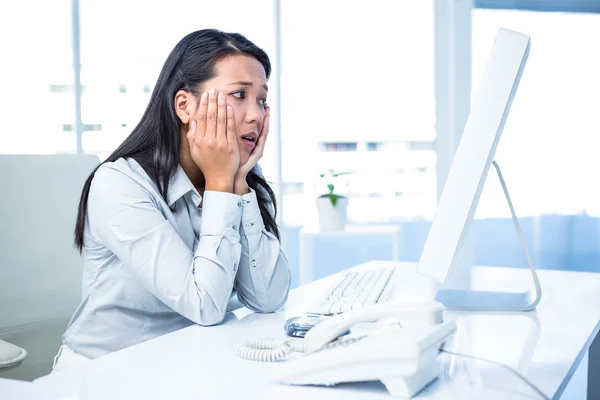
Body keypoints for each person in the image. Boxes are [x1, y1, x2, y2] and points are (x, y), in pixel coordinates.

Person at [53, 29, 291, 371]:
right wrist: (222, 183)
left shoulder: (242, 177)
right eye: (240, 95)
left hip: (188, 366)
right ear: (184, 106)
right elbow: (204, 305)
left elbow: (269, 298)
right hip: (103, 375)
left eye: (262, 100)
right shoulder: (120, 184)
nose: (256, 114)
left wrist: (238, 184)